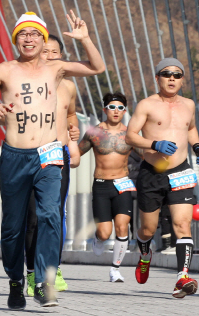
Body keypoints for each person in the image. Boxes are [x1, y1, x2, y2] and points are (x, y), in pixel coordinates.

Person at [0, 10, 104, 309]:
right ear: (16, 39)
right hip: (15, 156)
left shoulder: (55, 69)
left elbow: (97, 67)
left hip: (48, 155)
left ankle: (43, 281)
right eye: (22, 35)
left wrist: (85, 39)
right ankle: (16, 281)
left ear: (43, 40)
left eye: (34, 34)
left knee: (50, 216)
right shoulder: (4, 69)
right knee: (13, 226)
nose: (28, 39)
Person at [126, 58, 199, 298]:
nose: (172, 78)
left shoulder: (189, 105)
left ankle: (182, 278)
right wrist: (154, 143)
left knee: (183, 225)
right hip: (152, 173)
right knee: (148, 230)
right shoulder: (147, 105)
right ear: (157, 78)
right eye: (166, 73)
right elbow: (130, 135)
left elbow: (190, 127)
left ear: (182, 80)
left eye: (177, 75)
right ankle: (145, 253)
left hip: (180, 171)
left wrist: (198, 147)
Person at [23, 34, 81, 297]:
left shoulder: (68, 86)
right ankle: (32, 272)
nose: (48, 56)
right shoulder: (25, 82)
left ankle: (53, 268)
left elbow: (70, 115)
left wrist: (74, 142)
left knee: (54, 215)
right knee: (33, 219)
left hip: (57, 156)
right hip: (29, 155)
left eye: (54, 52)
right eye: (44, 52)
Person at [79, 92, 141, 283]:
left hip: (122, 184)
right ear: (105, 109)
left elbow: (147, 154)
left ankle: (115, 269)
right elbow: (76, 153)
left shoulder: (130, 134)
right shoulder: (94, 132)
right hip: (101, 186)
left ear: (125, 111)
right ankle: (98, 239)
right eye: (112, 107)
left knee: (122, 226)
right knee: (105, 232)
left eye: (120, 108)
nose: (116, 111)